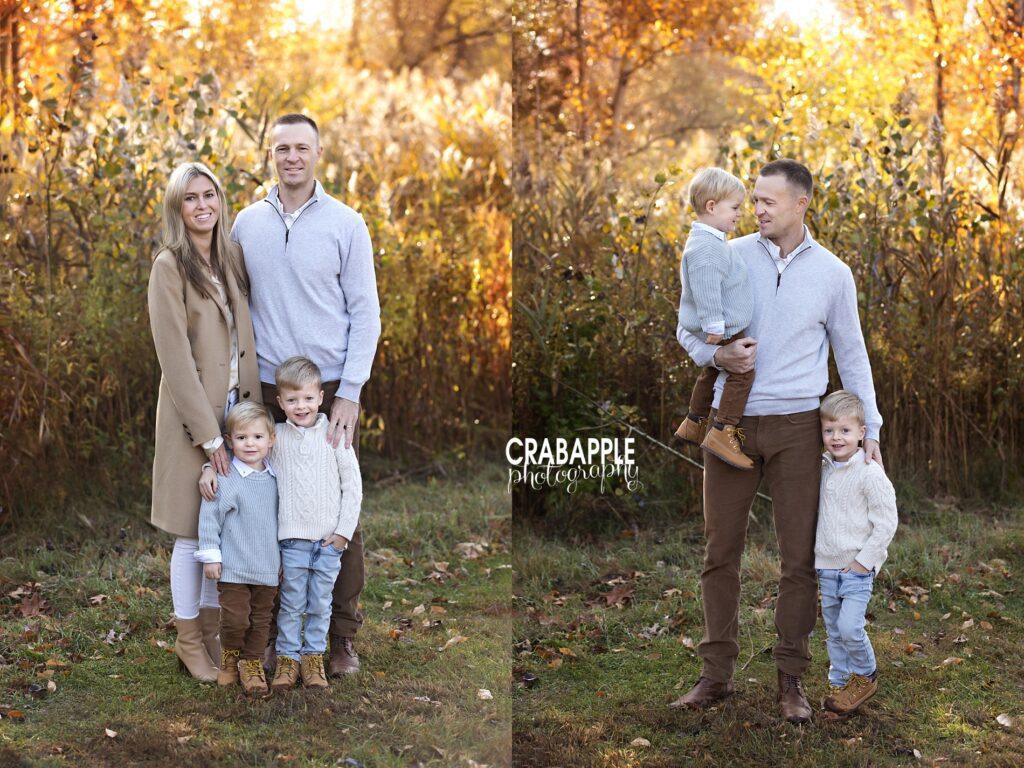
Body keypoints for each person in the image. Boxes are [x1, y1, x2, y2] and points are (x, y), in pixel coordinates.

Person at [669, 159, 883, 724]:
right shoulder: (728, 253)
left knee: (800, 560)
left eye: (768, 201)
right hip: (730, 427)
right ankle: (715, 675)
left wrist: (871, 429)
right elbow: (686, 324)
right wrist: (715, 354)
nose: (757, 209)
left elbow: (852, 354)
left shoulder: (834, 273)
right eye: (754, 200)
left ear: (800, 203)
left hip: (797, 429)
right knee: (720, 551)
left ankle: (791, 679)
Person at [231, 113, 380, 677]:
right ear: (271, 156)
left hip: (330, 389)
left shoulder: (347, 223)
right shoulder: (246, 223)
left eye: (302, 148)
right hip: (268, 389)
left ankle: (340, 637)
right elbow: (236, 307)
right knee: (270, 509)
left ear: (318, 154)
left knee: (337, 509)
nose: (292, 157)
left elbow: (366, 313)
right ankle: (272, 634)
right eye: (282, 149)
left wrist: (351, 393)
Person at [147, 162, 261, 682]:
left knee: (226, 530)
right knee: (193, 532)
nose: (202, 206)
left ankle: (215, 635)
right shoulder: (169, 266)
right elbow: (175, 361)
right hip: (192, 419)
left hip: (239, 412)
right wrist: (210, 437)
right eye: (190, 198)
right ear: (178, 208)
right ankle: (189, 640)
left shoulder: (231, 257)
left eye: (209, 195)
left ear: (220, 200)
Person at [268, 357, 362, 689]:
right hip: (291, 542)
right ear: (280, 402)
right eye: (292, 400)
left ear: (321, 397)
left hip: (327, 543)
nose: (301, 406)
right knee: (291, 604)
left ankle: (312, 660)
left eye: (308, 398)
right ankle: (287, 660)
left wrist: (343, 533)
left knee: (321, 605)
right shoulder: (276, 438)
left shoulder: (334, 434)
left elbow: (352, 486)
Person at [815, 390, 897, 715]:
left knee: (850, 628)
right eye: (829, 430)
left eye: (845, 430)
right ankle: (839, 685)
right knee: (834, 632)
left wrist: (865, 562)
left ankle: (865, 675)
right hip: (826, 567)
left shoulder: (869, 472)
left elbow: (887, 522)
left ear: (862, 433)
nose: (836, 437)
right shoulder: (821, 468)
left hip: (856, 569)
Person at [673, 167, 756, 470]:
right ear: (711, 206)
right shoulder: (707, 248)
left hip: (718, 326)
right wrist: (714, 326)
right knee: (742, 373)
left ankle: (694, 422)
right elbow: (706, 288)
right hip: (720, 328)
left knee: (711, 371)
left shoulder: (711, 241)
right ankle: (723, 430)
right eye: (734, 207)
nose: (739, 213)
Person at [195, 402, 279, 697]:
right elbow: (209, 519)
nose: (250, 444)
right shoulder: (226, 478)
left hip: (268, 567)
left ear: (271, 439)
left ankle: (251, 663)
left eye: (257, 437)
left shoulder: (277, 479)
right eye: (242, 438)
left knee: (260, 620)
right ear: (230, 442)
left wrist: (284, 559)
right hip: (233, 568)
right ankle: (230, 657)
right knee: (235, 618)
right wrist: (211, 556)